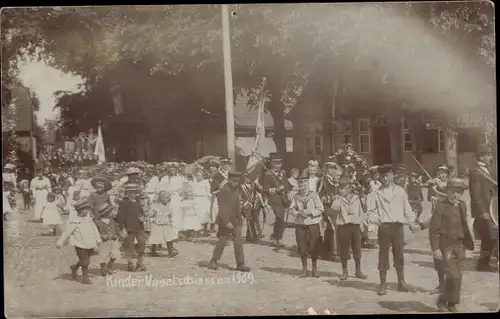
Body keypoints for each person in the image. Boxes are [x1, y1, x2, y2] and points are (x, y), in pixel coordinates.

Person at [365, 164, 418, 296]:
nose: (385, 178)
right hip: (384, 227)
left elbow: (407, 209)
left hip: (398, 226)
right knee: (383, 254)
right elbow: (371, 211)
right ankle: (383, 283)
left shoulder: (400, 191)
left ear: (392, 175)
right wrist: (376, 219)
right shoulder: (376, 193)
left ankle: (401, 281)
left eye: (387, 175)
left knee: (399, 253)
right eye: (382, 176)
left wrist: (411, 222)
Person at [429, 178, 474, 312]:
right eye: (453, 192)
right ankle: (446, 301)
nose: (456, 195)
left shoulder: (462, 205)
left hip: (460, 245)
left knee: (458, 276)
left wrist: (467, 241)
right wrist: (435, 248)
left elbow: (466, 224)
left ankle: (449, 302)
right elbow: (434, 229)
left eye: (459, 192)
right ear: (447, 191)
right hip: (446, 246)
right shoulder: (441, 206)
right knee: (452, 275)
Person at [206, 172, 251, 272]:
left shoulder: (237, 189)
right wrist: (226, 222)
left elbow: (240, 203)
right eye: (234, 181)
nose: (236, 183)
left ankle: (240, 263)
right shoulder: (224, 190)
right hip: (225, 221)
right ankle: (213, 261)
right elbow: (223, 208)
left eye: (237, 181)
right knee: (222, 241)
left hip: (236, 220)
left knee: (238, 242)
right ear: (229, 180)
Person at [56, 199, 102, 285]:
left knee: (85, 260)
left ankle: (74, 267)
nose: (86, 211)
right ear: (79, 210)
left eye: (87, 209)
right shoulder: (75, 221)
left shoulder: (89, 221)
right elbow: (67, 232)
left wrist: (98, 240)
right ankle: (85, 278)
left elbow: (95, 231)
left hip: (90, 244)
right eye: (84, 209)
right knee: (85, 261)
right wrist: (60, 242)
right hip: (80, 244)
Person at [288, 171, 324, 278]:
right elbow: (291, 209)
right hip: (300, 224)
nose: (303, 187)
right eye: (301, 185)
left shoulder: (314, 195)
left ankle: (314, 269)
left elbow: (320, 208)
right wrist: (297, 213)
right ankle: (304, 269)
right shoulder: (296, 197)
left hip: (313, 224)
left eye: (304, 185)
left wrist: (312, 213)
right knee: (302, 247)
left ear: (308, 184)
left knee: (314, 247)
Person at [331, 177, 367, 281]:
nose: (340, 190)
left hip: (355, 226)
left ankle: (358, 270)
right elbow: (333, 210)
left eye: (342, 188)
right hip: (343, 226)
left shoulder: (357, 198)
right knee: (344, 250)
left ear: (348, 188)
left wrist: (361, 225)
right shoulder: (339, 199)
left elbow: (361, 212)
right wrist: (337, 200)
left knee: (357, 249)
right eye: (339, 188)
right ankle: (345, 271)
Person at [469, 144, 498, 272]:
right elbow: (475, 194)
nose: (490, 157)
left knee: (489, 237)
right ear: (481, 157)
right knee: (490, 236)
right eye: (488, 154)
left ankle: (483, 264)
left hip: (490, 209)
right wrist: (482, 212)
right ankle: (483, 264)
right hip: (485, 211)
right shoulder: (476, 172)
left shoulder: (485, 170)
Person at [116, 183, 147, 272]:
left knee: (142, 244)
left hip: (139, 227)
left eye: (134, 192)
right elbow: (120, 217)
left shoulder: (138, 202)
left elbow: (141, 212)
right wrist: (122, 228)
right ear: (126, 193)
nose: (132, 195)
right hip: (128, 228)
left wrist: (142, 217)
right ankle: (130, 263)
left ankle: (140, 262)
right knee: (129, 246)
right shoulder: (123, 203)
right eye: (130, 193)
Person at [263, 153, 290, 249]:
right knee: (280, 218)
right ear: (272, 164)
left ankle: (276, 236)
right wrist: (276, 189)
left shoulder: (283, 173)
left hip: (283, 199)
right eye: (275, 163)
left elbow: (287, 185)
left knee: (282, 220)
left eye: (279, 163)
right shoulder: (268, 174)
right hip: (274, 199)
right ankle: (277, 238)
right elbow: (265, 189)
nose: (277, 165)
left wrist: (285, 190)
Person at [318, 161, 341, 261]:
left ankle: (324, 251)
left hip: (335, 207)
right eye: (330, 168)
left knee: (330, 229)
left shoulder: (335, 181)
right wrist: (330, 198)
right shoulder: (322, 180)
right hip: (326, 207)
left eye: (333, 168)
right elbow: (318, 195)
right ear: (326, 169)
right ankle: (334, 253)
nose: (332, 170)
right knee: (334, 227)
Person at [147, 190, 179, 258]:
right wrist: (153, 213)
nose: (166, 200)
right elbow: (150, 214)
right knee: (155, 238)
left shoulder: (169, 206)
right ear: (160, 198)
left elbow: (170, 215)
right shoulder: (155, 206)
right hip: (157, 224)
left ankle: (170, 251)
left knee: (169, 237)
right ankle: (153, 251)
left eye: (168, 198)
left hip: (166, 223)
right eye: (165, 198)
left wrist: (171, 222)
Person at [94, 202, 121, 276]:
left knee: (115, 255)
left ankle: (110, 265)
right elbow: (95, 232)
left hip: (113, 240)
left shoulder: (112, 221)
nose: (112, 212)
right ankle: (103, 268)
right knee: (103, 255)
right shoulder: (98, 222)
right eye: (110, 211)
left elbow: (117, 229)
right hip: (104, 242)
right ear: (106, 213)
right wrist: (101, 235)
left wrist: (117, 234)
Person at [241, 172, 264, 242]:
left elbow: (261, 190)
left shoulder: (254, 185)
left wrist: (257, 183)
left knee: (254, 220)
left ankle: (251, 235)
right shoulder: (242, 186)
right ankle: (251, 237)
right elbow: (240, 196)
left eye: (248, 177)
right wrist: (244, 203)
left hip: (254, 205)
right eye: (245, 177)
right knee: (249, 221)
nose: (247, 179)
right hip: (246, 205)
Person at [191, 167, 212, 236]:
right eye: (197, 175)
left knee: (204, 215)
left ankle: (204, 231)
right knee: (196, 215)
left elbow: (209, 192)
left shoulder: (206, 182)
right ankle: (197, 230)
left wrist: (208, 201)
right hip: (196, 199)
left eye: (199, 175)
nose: (198, 177)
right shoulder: (194, 182)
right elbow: (192, 190)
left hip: (203, 199)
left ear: (202, 175)